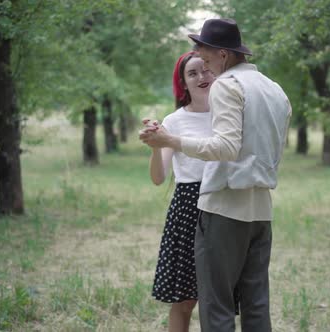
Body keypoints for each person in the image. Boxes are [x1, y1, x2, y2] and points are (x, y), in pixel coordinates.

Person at [140, 18, 291, 332]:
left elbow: (225, 147)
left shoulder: (228, 84)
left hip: (223, 207)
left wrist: (171, 140)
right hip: (261, 209)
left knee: (217, 305)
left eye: (205, 53)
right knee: (256, 301)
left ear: (223, 54)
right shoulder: (274, 90)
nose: (202, 60)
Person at [143, 51, 214, 332]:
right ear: (183, 83)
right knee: (185, 300)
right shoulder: (174, 121)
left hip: (223, 201)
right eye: (192, 73)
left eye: (205, 70)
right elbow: (159, 178)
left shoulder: (229, 114)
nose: (201, 77)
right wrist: (156, 145)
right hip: (187, 209)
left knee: (218, 298)